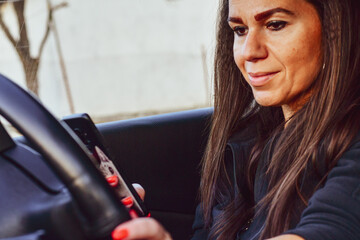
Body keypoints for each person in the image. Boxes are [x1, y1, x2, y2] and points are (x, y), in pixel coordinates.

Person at [111, 0, 360, 239]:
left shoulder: (351, 141)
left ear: (335, 29)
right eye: (240, 30)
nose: (249, 52)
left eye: (275, 25)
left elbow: (332, 229)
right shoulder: (241, 144)